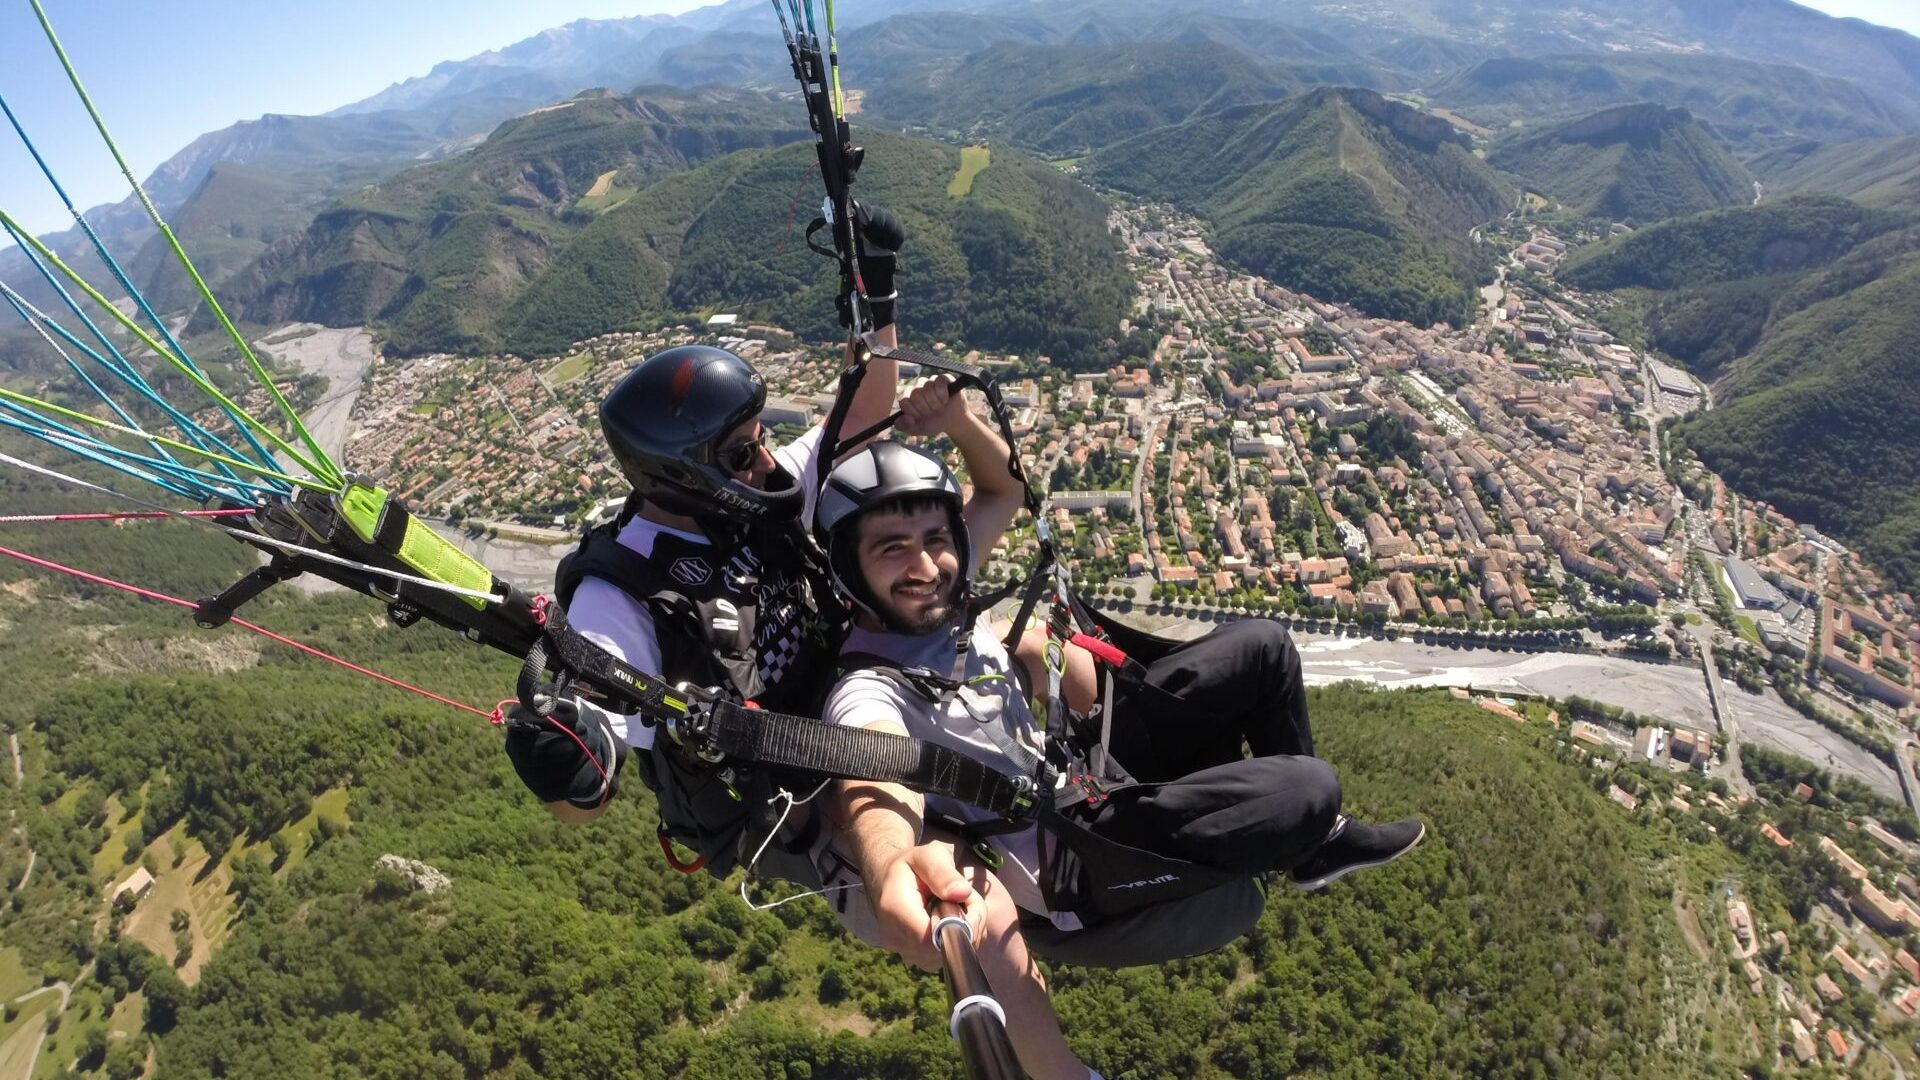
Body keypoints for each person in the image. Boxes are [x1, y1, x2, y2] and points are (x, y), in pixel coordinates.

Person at [808, 394, 1425, 1080]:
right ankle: (1311, 825)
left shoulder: (938, 592)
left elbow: (1003, 487)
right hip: (1079, 847)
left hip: (1081, 749)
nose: (924, 563)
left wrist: (955, 423)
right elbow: (872, 774)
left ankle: (1320, 843)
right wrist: (890, 866)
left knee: (1266, 649)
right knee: (1308, 789)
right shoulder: (869, 687)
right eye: (892, 548)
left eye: (935, 539)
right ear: (851, 571)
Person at [502, 203, 913, 881]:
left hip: (847, 701)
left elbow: (861, 415)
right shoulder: (619, 590)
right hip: (795, 798)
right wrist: (568, 755)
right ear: (686, 472)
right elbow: (598, 695)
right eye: (742, 449)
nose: (765, 457)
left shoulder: (750, 495)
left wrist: (877, 289)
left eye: (759, 437)